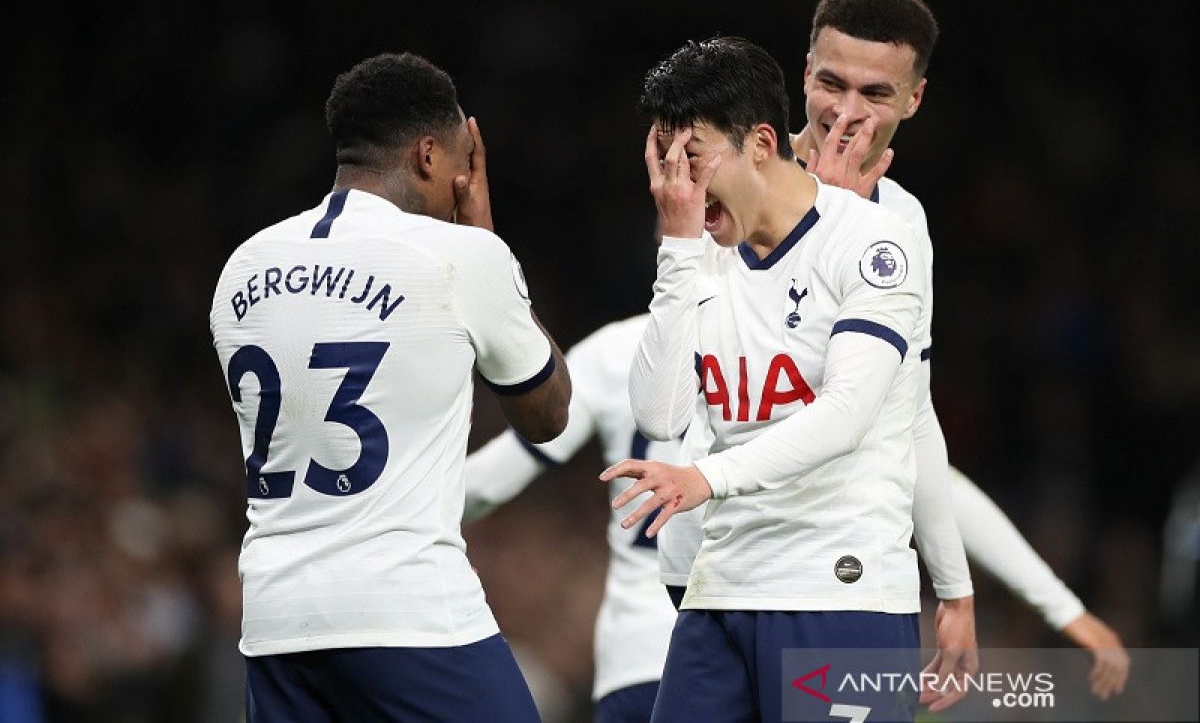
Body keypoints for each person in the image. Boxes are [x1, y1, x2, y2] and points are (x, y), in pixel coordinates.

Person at [655, 0, 1130, 702]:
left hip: (833, 579)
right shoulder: (718, 182)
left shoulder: (902, 229)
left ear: (914, 99)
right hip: (712, 569)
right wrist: (829, 222)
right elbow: (688, 399)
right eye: (830, 82)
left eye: (875, 93)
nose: (845, 112)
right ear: (803, 71)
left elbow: (905, 423)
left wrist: (955, 587)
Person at [602, 35, 975, 723]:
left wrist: (954, 589)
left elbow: (848, 415)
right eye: (663, 165)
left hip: (838, 591)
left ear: (761, 143)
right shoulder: (701, 253)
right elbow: (660, 415)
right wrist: (679, 247)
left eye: (692, 160)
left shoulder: (873, 243)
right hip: (719, 592)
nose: (678, 186)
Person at [209, 52, 571, 722]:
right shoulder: (460, 255)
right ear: (429, 155)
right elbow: (547, 414)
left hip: (276, 619)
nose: (465, 178)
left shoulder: (244, 265)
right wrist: (488, 239)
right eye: (465, 159)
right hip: (407, 613)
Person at [464, 315, 680, 722]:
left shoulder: (619, 350)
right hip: (796, 634)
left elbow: (482, 486)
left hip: (649, 655)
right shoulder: (814, 343)